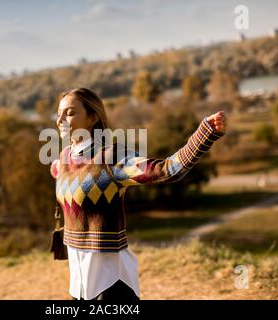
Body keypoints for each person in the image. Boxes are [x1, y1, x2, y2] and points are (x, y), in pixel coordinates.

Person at [50, 87, 226, 300]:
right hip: (78, 284)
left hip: (110, 282)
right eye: (59, 113)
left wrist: (204, 134)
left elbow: (166, 170)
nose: (60, 119)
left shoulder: (112, 156)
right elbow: (71, 178)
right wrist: (59, 169)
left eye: (70, 112)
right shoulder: (67, 156)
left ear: (93, 117)